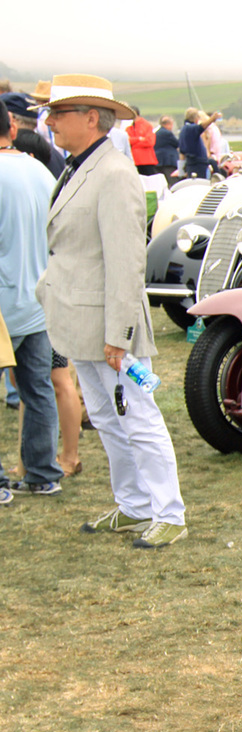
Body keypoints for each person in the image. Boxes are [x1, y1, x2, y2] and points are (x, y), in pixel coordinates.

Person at [35, 74, 186, 546]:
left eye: (59, 113)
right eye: (51, 113)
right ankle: (135, 505)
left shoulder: (115, 174)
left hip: (107, 324)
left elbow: (126, 261)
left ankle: (168, 512)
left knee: (137, 416)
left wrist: (118, 332)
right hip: (81, 318)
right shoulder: (79, 166)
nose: (50, 121)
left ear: (91, 118)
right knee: (105, 418)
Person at [0, 100, 63, 496]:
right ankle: (42, 474)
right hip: (38, 299)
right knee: (38, 389)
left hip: (5, 306)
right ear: (10, 125)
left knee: (37, 390)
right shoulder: (39, 170)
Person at [178, 107, 213, 179]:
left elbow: (181, 152)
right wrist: (213, 118)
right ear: (196, 118)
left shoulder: (184, 130)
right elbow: (202, 127)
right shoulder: (191, 128)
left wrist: (181, 171)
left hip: (191, 163)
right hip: (197, 164)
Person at [125, 105, 157, 174]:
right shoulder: (129, 127)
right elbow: (127, 141)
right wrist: (139, 139)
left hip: (147, 160)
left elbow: (150, 142)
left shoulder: (146, 125)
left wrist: (134, 144)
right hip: (135, 160)